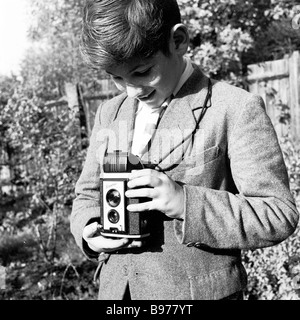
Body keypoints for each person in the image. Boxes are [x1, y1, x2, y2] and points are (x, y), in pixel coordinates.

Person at [70, 0, 299, 300]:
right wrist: (90, 231)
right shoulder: (109, 113)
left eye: (142, 72)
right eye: (116, 78)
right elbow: (86, 194)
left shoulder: (234, 108)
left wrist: (184, 202)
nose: (131, 91)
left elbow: (277, 213)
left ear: (178, 41)